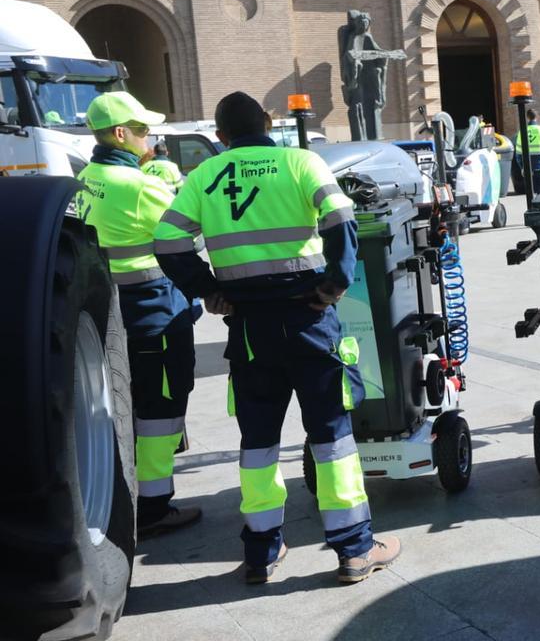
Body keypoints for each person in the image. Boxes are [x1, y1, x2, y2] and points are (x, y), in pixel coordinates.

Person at [153, 92, 400, 585]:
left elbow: (167, 242)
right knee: (331, 435)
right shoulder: (300, 161)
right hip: (308, 318)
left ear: (221, 137)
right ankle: (354, 550)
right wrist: (333, 284)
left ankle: (262, 553)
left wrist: (210, 291)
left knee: (259, 441)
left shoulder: (204, 176)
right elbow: (340, 218)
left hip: (248, 328)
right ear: (268, 123)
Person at [76, 92, 201, 537]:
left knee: (126, 405)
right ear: (120, 133)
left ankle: (130, 495)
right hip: (155, 309)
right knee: (162, 407)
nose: (150, 136)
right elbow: (186, 237)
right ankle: (152, 506)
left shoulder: (87, 177)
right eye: (143, 129)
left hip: (111, 311)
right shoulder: (141, 185)